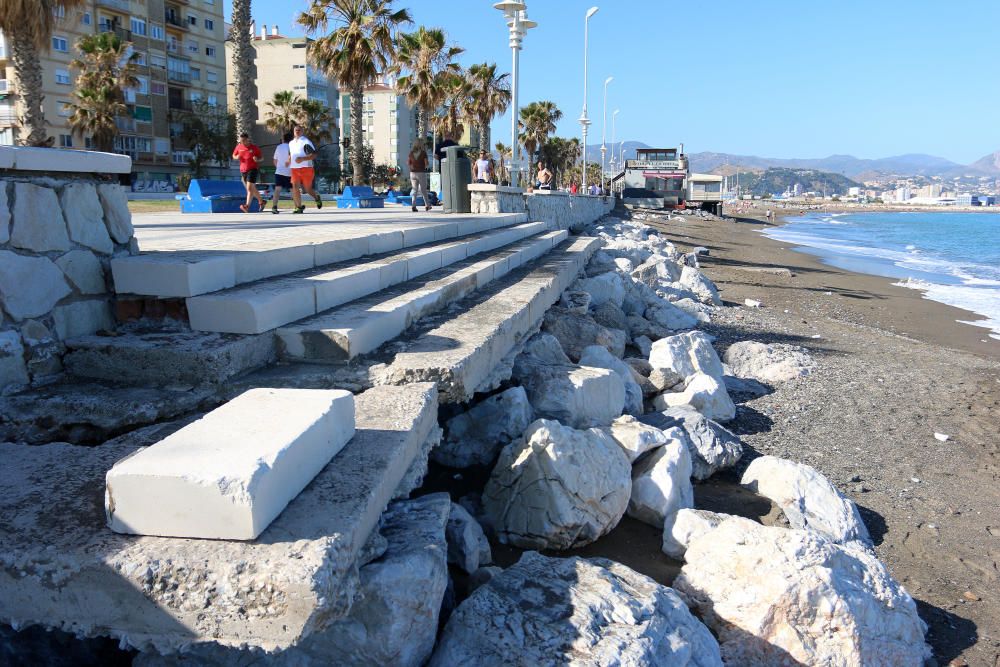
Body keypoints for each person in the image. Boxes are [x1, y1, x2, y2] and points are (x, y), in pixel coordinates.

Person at [288, 125, 322, 214]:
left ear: (302, 131)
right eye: (296, 130)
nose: (297, 131)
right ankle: (299, 207)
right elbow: (291, 154)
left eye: (299, 130)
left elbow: (314, 155)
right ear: (293, 132)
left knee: (307, 189)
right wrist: (288, 161)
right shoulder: (291, 143)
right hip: (294, 169)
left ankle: (316, 198)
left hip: (306, 168)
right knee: (295, 187)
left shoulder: (306, 142)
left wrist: (302, 159)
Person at [232, 132, 264, 213]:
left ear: (247, 140)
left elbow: (262, 158)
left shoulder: (254, 148)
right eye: (241, 140)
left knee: (249, 188)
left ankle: (247, 206)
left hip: (253, 169)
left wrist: (257, 160)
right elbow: (234, 155)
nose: (242, 142)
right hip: (243, 170)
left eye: (243, 140)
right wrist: (237, 157)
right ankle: (261, 201)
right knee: (252, 188)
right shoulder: (239, 147)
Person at [270, 131, 293, 214]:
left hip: (279, 171)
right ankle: (298, 206)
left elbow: (275, 160)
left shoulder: (279, 147)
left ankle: (274, 207)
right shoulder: (292, 147)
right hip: (290, 172)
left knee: (277, 189)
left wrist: (279, 167)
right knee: (292, 189)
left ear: (283, 139)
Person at [407, 140, 431, 212]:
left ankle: (413, 206)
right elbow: (426, 163)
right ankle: (427, 205)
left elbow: (408, 163)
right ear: (421, 145)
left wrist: (413, 167)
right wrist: (425, 165)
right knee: (423, 190)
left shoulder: (411, 153)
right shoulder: (423, 153)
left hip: (412, 173)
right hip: (421, 173)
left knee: (414, 190)